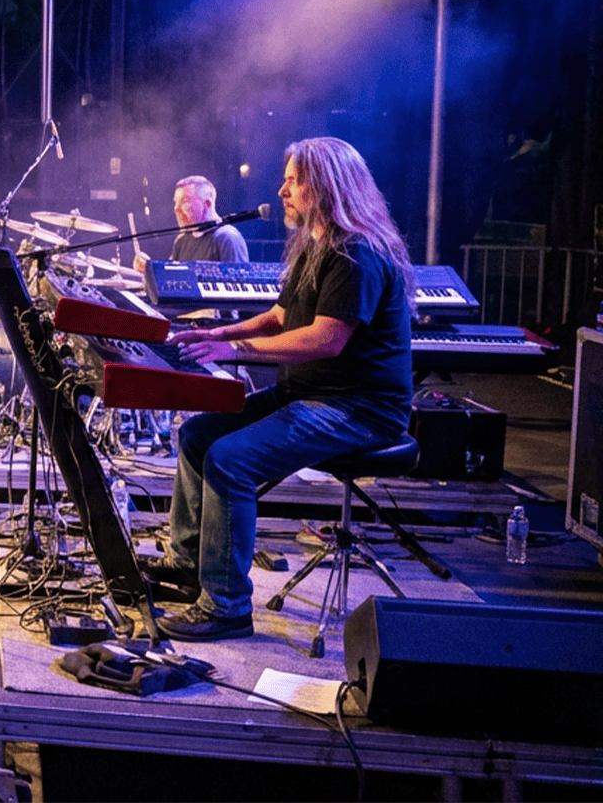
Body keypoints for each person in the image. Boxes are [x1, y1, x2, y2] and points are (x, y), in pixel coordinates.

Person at [161, 138, 415, 641]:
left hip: (359, 408)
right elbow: (281, 316)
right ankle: (188, 567)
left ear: (324, 186)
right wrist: (219, 334)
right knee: (197, 437)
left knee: (230, 459)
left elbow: (325, 338)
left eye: (294, 180)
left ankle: (227, 606)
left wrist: (236, 354)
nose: (282, 190)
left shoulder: (356, 250)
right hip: (309, 393)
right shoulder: (316, 243)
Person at [135, 174, 249, 272]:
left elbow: (239, 288)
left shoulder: (227, 238)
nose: (176, 209)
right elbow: (171, 279)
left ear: (207, 204)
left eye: (184, 203)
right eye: (175, 203)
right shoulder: (182, 240)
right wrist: (149, 268)